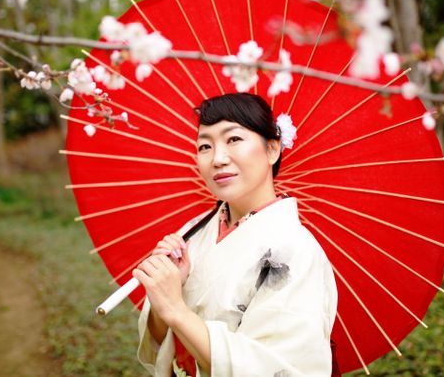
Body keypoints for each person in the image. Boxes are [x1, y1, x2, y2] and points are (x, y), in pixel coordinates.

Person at [133, 93, 338, 377]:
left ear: (272, 150)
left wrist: (176, 309)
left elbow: (276, 367)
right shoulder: (192, 233)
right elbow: (158, 338)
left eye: (234, 140)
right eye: (205, 145)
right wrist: (165, 296)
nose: (217, 159)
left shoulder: (297, 250)